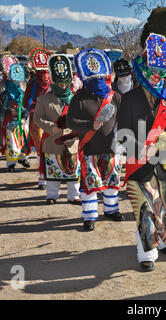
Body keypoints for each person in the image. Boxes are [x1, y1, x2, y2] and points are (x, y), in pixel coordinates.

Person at [117, 33, 166, 272]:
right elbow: (122, 135)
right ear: (142, 69)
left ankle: (165, 242)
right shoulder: (129, 99)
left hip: (165, 166)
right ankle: (147, 253)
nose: (157, 76)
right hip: (139, 167)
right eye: (152, 69)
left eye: (161, 71)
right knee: (144, 211)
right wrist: (140, 150)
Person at [66, 48, 125, 232]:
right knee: (90, 183)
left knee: (112, 181)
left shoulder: (114, 96)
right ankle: (90, 216)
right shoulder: (79, 99)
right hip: (89, 147)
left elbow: (123, 118)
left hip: (112, 147)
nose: (98, 82)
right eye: (93, 79)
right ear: (86, 79)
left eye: (100, 78)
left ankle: (111, 209)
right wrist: (90, 125)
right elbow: (71, 121)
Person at [34, 54, 81, 205]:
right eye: (60, 83)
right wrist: (50, 126)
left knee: (73, 170)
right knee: (53, 169)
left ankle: (73, 196)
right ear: (54, 82)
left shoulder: (75, 98)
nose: (63, 86)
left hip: (72, 141)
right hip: (52, 140)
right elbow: (37, 118)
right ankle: (52, 195)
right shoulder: (43, 99)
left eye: (65, 83)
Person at [23, 48, 52, 190]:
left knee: (40, 149)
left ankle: (42, 178)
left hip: (36, 119)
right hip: (52, 120)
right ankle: (52, 175)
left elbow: (25, 102)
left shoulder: (32, 85)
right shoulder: (55, 84)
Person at [0, 63, 30, 172]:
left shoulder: (23, 94)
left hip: (21, 122)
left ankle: (23, 158)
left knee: (24, 140)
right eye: (14, 82)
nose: (17, 84)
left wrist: (24, 118)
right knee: (11, 143)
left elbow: (26, 108)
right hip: (8, 122)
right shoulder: (4, 95)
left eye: (18, 82)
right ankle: (11, 164)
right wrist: (10, 111)